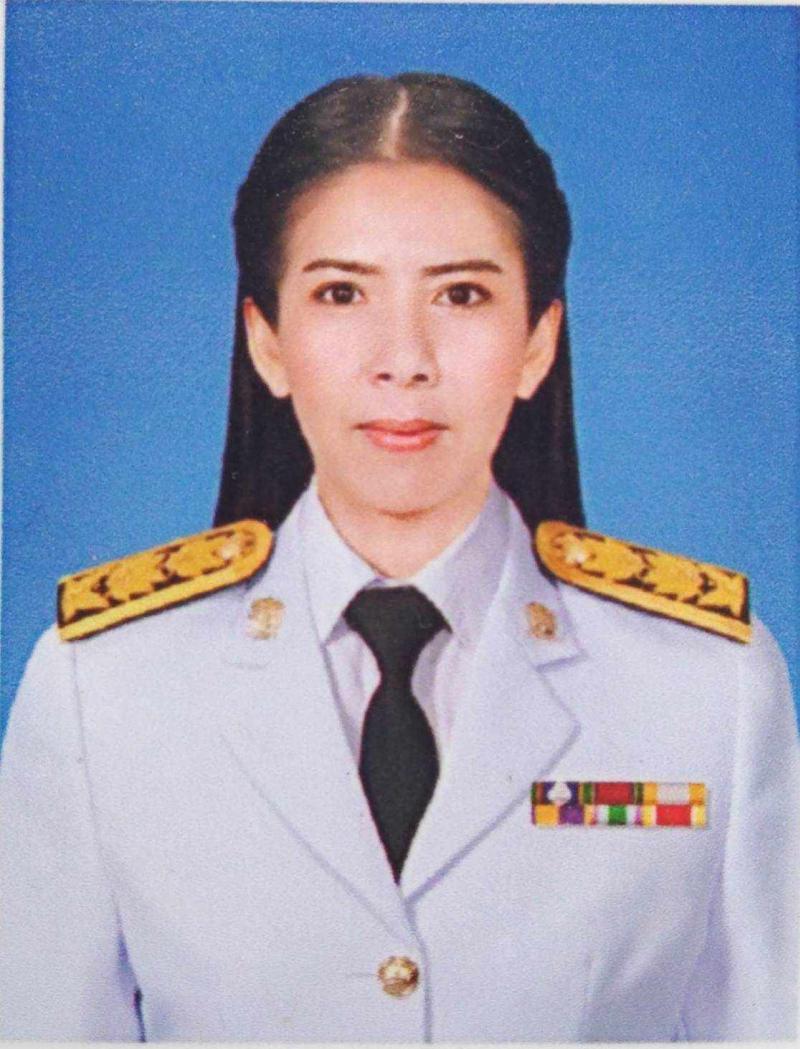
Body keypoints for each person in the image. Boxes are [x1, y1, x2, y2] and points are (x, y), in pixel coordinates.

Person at [1, 73, 797, 1042]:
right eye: (341, 293)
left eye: (461, 294)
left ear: (537, 340)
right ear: (267, 340)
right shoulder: (104, 691)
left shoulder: (703, 691)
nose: (404, 358)